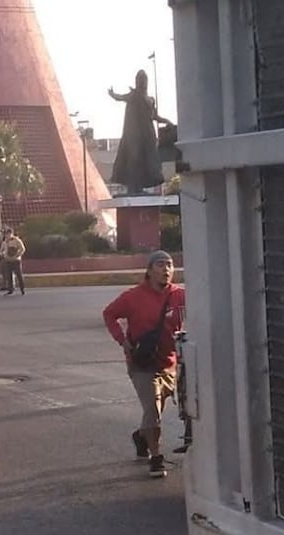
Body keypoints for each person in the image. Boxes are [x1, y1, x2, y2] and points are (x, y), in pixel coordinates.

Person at [102, 250, 186, 479]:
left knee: (157, 409)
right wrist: (123, 341)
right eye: (160, 265)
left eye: (169, 265)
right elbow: (109, 314)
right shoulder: (133, 297)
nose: (166, 269)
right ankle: (157, 458)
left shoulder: (180, 295)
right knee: (152, 410)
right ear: (149, 271)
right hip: (141, 363)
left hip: (169, 363)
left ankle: (141, 437)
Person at [109, 69, 173, 194]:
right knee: (134, 160)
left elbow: (154, 116)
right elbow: (120, 97)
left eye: (144, 79)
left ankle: (140, 186)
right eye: (140, 79)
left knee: (146, 160)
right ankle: (133, 187)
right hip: (134, 136)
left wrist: (167, 121)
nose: (142, 81)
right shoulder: (133, 95)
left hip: (148, 135)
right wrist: (112, 94)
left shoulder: (150, 99)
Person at [0, 227, 27, 295]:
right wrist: (3, 255)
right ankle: (10, 289)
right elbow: (1, 251)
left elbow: (23, 249)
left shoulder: (17, 240)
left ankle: (22, 289)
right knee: (9, 275)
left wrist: (17, 255)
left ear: (11, 233)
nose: (7, 235)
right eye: (6, 234)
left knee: (19, 275)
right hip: (8, 260)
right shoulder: (4, 242)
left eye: (8, 234)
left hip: (16, 260)